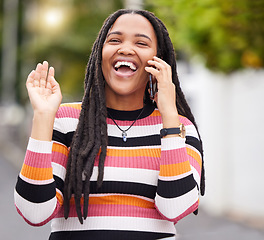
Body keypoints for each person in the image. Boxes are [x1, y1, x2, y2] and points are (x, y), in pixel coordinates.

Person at [14, 9, 205, 240]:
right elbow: (34, 212)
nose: (125, 48)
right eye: (114, 40)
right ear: (100, 53)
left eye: (141, 43)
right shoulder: (63, 120)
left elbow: (176, 208)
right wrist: (43, 117)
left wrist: (169, 119)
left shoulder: (179, 127)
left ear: (159, 60)